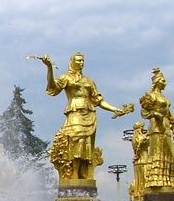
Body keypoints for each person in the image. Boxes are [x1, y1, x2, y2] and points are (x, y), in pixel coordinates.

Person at [41, 52, 131, 180]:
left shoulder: (89, 81)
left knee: (86, 144)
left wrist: (114, 109)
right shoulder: (66, 77)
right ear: (72, 62)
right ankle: (73, 173)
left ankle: (83, 173)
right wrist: (49, 67)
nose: (81, 63)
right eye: (78, 61)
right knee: (77, 140)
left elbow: (98, 101)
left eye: (82, 61)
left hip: (89, 113)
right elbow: (52, 87)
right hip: (75, 112)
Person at [139, 68, 174, 188]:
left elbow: (170, 117)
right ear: (157, 81)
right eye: (162, 80)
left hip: (166, 127)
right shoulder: (151, 96)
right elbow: (144, 112)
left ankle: (166, 180)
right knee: (157, 153)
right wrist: (155, 114)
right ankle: (155, 180)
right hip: (156, 127)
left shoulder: (164, 97)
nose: (165, 82)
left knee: (166, 154)